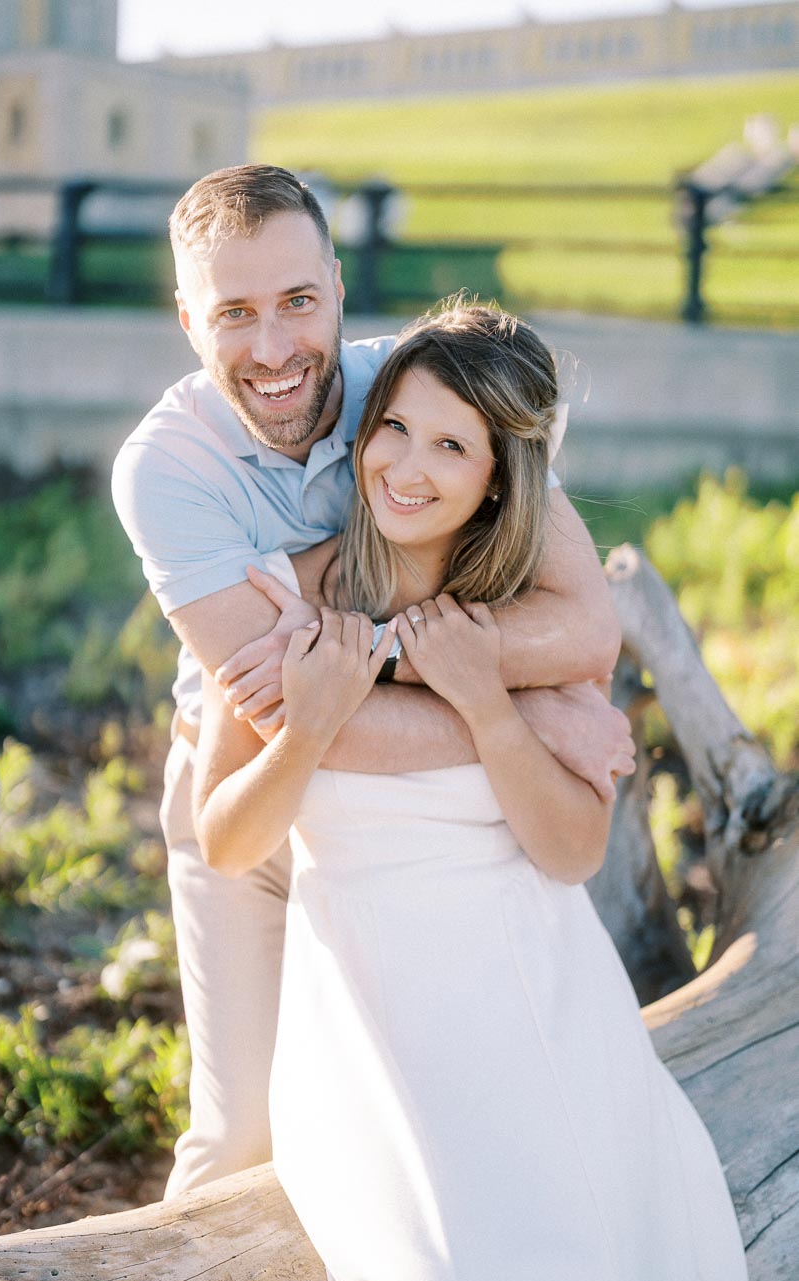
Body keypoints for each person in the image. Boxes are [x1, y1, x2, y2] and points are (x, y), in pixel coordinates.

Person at [191, 301, 753, 1281]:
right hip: (366, 1019)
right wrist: (306, 733)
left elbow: (573, 851)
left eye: (451, 446)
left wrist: (487, 702)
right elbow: (223, 839)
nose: (407, 466)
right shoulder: (282, 601)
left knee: (578, 1280)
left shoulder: (522, 628)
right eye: (394, 428)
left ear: (498, 478)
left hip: (536, 1005)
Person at [111, 163, 635, 1197]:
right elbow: (290, 718)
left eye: (298, 301)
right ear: (187, 320)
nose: (273, 349)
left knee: (445, 1120)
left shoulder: (426, 388)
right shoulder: (167, 468)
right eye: (235, 314)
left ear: (339, 286)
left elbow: (585, 622)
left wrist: (450, 688)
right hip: (255, 791)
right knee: (243, 1140)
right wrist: (524, 719)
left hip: (438, 815)